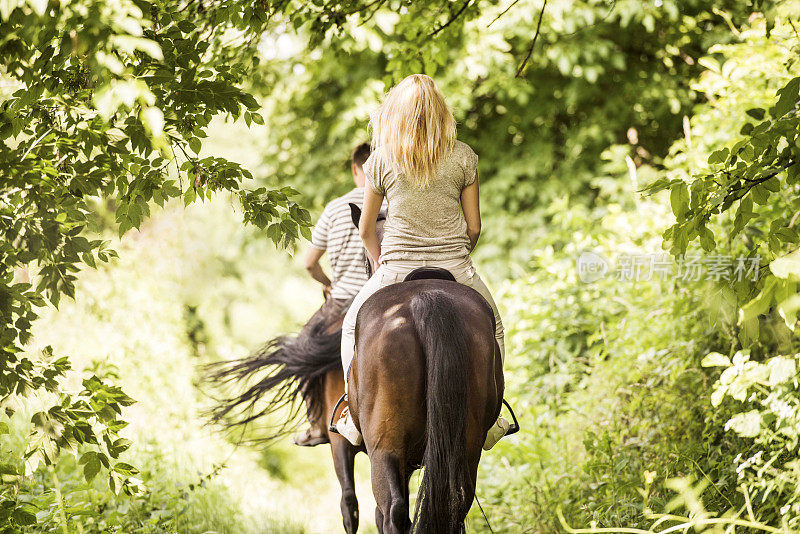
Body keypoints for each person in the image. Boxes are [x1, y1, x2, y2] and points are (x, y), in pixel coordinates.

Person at [335, 74, 509, 451]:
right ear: (441, 112)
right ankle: (495, 418)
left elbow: (366, 229)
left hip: (396, 267)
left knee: (351, 327)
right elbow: (474, 227)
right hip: (455, 264)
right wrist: (457, 254)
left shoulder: (379, 161)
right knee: (493, 326)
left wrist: (382, 263)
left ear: (394, 113)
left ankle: (351, 413)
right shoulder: (464, 156)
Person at [292, 142, 374, 447]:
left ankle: (316, 424)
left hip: (341, 300)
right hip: (380, 293)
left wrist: (327, 282)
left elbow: (309, 263)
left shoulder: (335, 208)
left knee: (303, 348)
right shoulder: (392, 202)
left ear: (355, 169)